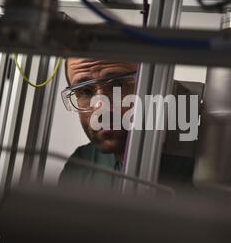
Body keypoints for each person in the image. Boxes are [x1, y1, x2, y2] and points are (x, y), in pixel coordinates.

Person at [58, 57, 194, 192]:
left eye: (118, 86)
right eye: (86, 92)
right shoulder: (80, 165)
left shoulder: (200, 165)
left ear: (155, 83)